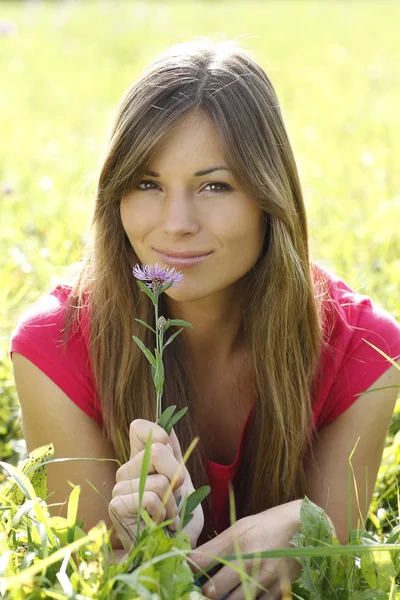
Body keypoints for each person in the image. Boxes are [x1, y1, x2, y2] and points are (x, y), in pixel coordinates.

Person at [10, 38, 400, 599]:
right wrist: (144, 553)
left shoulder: (364, 351)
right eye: (147, 184)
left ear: (269, 196)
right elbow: (79, 575)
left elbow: (336, 572)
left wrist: (306, 528)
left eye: (215, 185)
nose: (175, 224)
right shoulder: (55, 346)